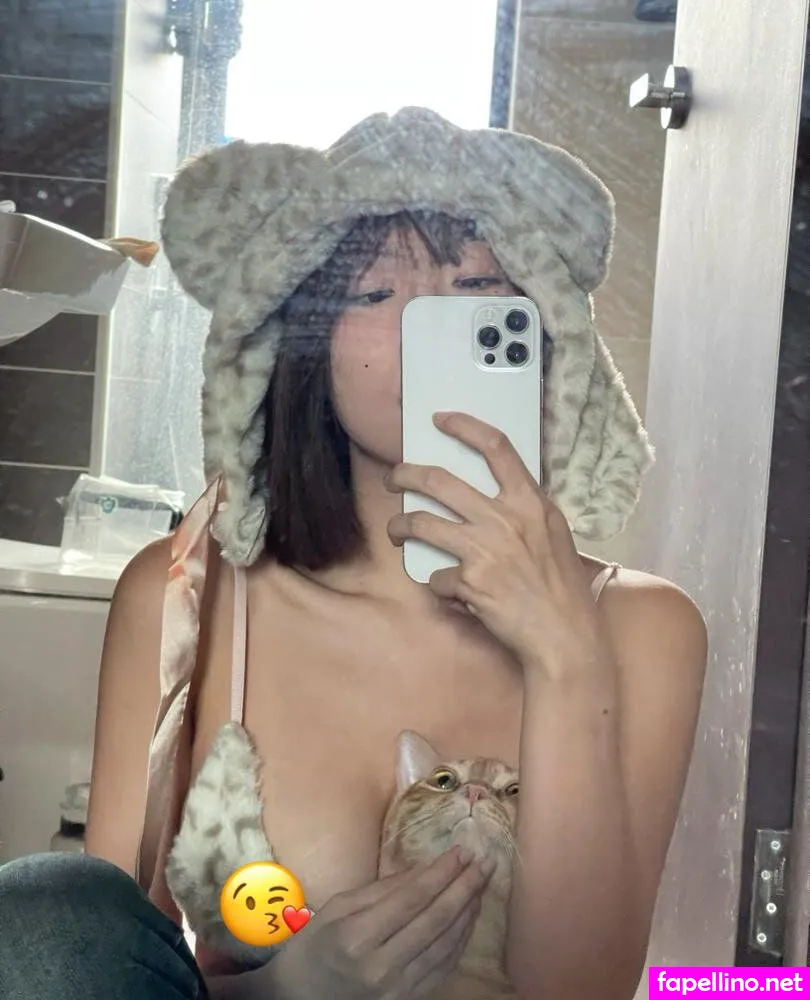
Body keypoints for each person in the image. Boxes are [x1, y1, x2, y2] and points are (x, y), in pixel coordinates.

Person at [0, 108, 707, 1000]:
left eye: (476, 284)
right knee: (45, 906)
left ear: (541, 333)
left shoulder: (643, 628)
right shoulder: (187, 598)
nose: (425, 323)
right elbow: (102, 959)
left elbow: (581, 989)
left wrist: (565, 655)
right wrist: (283, 989)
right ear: (307, 340)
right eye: (373, 294)